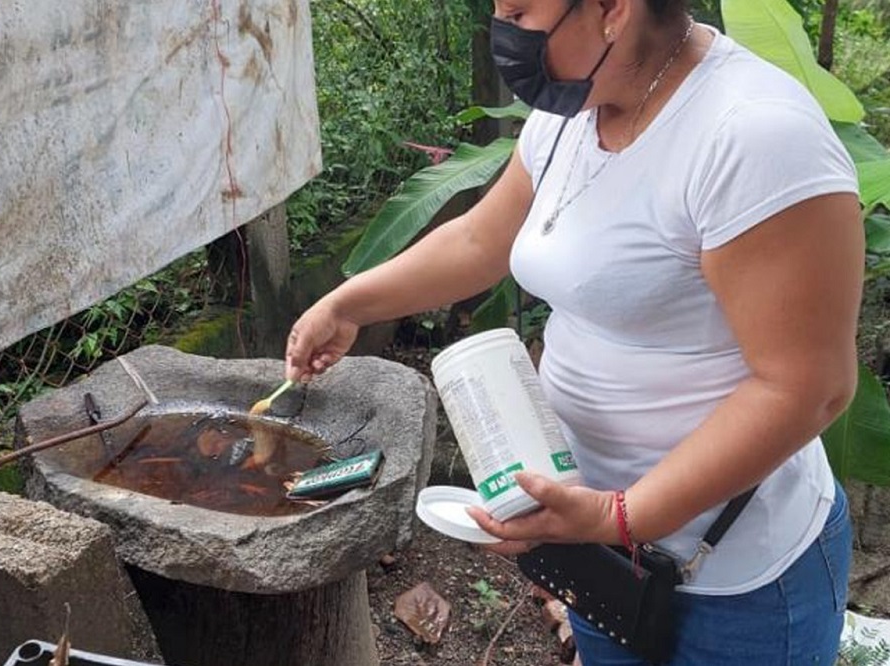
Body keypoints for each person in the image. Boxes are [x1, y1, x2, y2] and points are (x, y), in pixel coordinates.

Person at [284, 0, 864, 663]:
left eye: (519, 11)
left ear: (613, 9)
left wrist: (621, 515)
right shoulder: (574, 110)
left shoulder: (755, 136)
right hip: (601, 552)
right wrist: (349, 304)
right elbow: (480, 241)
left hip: (735, 582)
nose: (502, 32)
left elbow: (807, 387)